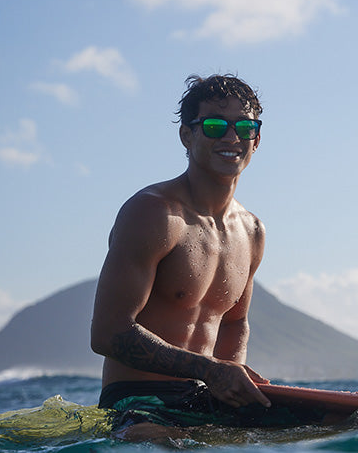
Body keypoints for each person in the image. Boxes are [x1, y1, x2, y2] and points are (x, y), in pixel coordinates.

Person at [91, 74, 307, 442]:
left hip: (205, 401)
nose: (231, 137)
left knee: (349, 422)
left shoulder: (252, 231)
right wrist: (211, 370)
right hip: (138, 403)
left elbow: (234, 323)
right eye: (214, 126)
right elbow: (108, 333)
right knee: (168, 442)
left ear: (256, 139)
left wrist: (231, 387)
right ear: (186, 135)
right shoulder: (154, 213)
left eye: (244, 127)